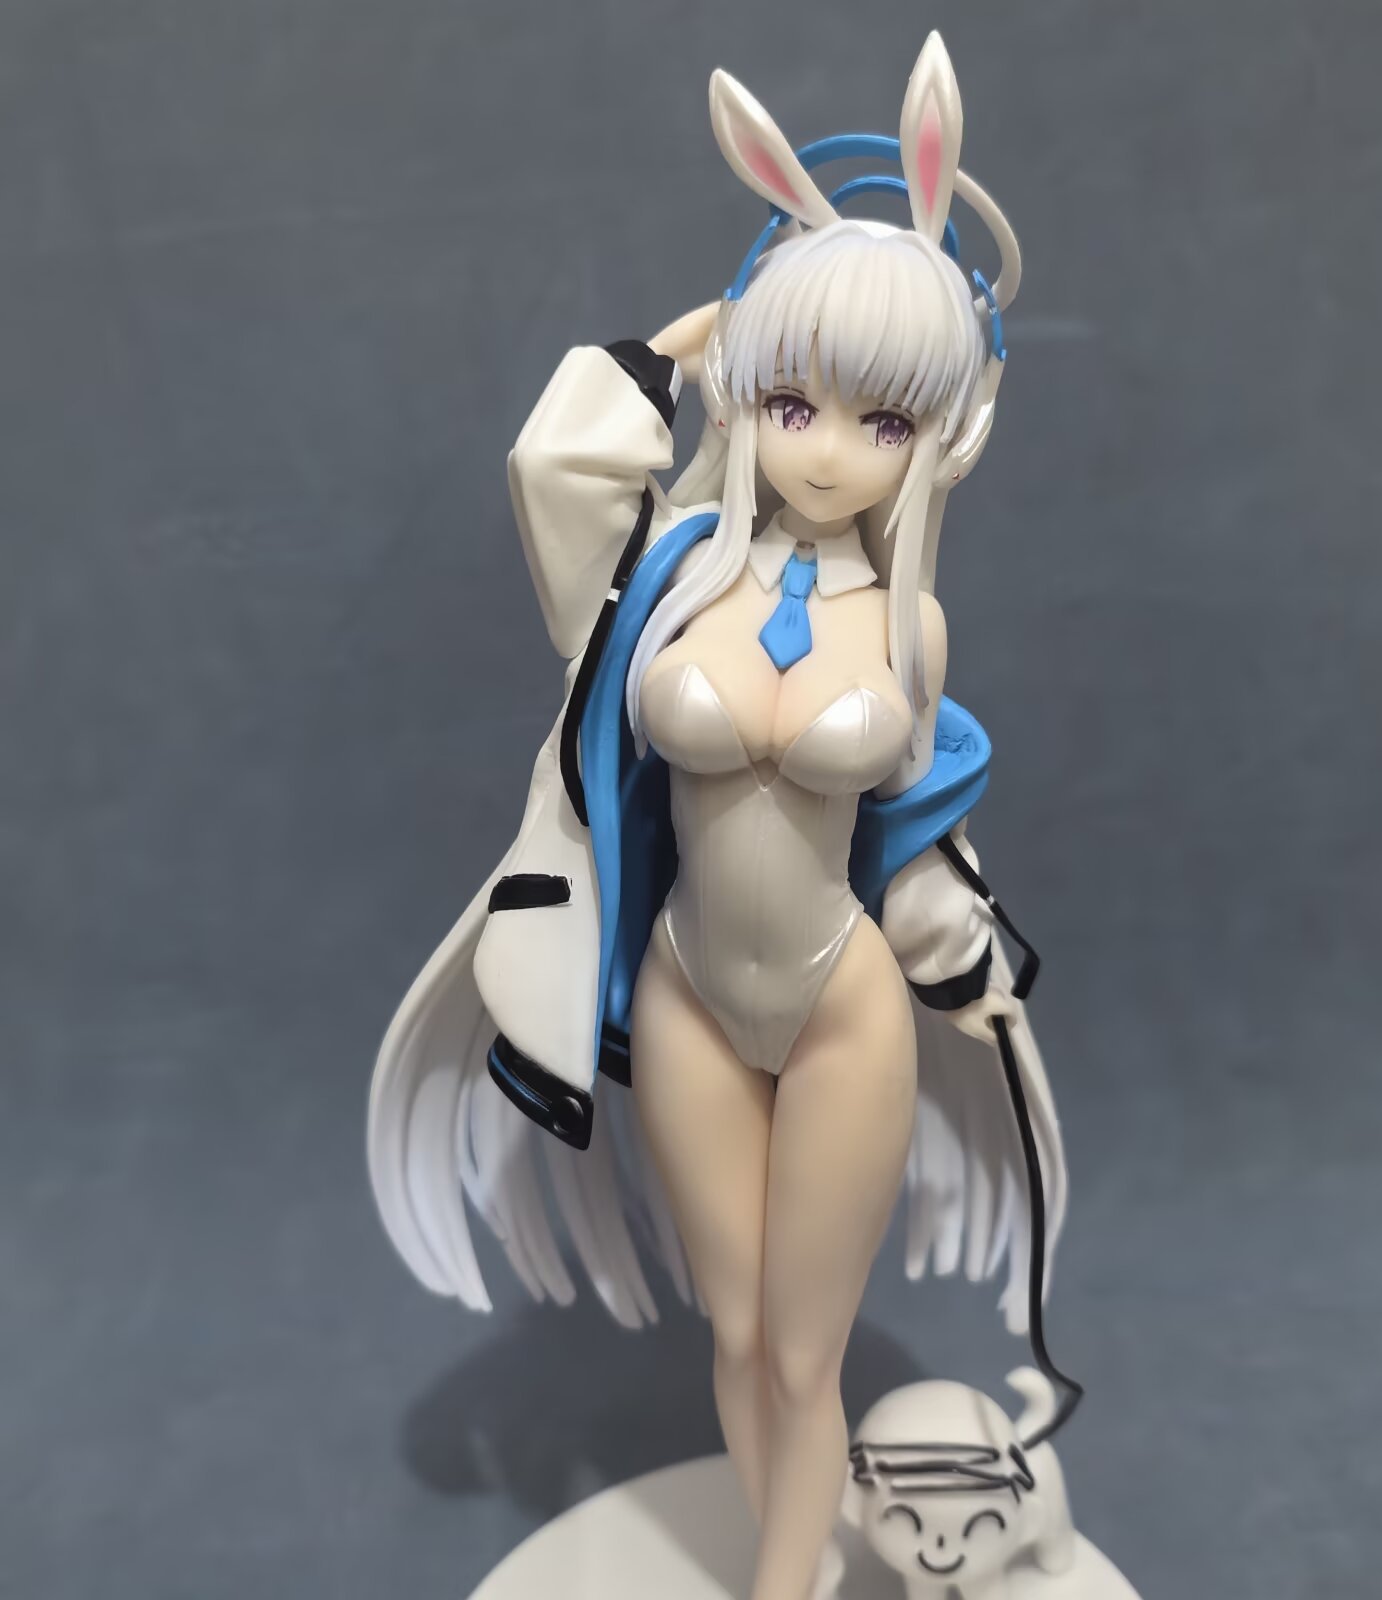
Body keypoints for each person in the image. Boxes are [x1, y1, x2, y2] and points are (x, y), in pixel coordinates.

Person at [369, 33, 1067, 1600]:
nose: (830, 451)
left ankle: (774, 1586)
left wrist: (959, 946)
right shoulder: (668, 576)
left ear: (942, 435)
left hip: (837, 1007)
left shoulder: (908, 624)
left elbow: (910, 828)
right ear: (751, 390)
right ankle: (788, 1567)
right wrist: (688, 343)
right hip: (687, 989)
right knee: (735, 1333)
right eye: (795, 399)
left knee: (802, 1354)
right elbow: (552, 464)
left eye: (884, 421)